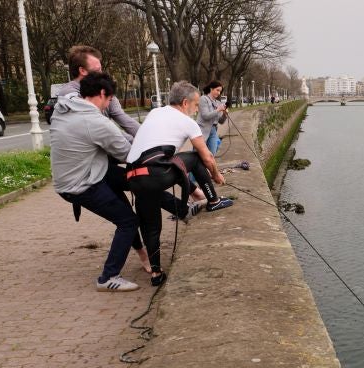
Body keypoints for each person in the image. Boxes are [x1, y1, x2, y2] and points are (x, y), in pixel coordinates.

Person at [50, 72, 156, 292]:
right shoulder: (94, 121)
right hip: (81, 185)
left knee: (130, 185)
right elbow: (129, 154)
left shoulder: (65, 107)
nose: (109, 105)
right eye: (109, 100)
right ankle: (108, 277)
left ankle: (184, 206)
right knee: (127, 221)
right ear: (101, 93)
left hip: (73, 176)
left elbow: (116, 138)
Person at [126, 81, 233, 286]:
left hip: (133, 177)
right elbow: (207, 157)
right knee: (194, 158)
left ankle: (156, 273)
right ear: (185, 103)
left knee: (151, 226)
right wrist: (217, 176)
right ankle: (213, 200)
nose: (195, 111)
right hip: (155, 172)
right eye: (194, 106)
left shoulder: (155, 113)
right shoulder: (187, 122)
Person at [55, 45, 140, 141]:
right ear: (82, 70)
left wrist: (146, 136)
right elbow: (102, 129)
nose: (102, 73)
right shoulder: (70, 96)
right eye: (97, 70)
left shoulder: (102, 87)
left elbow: (123, 119)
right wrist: (134, 143)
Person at [198, 81, 228, 156]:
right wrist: (218, 110)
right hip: (202, 130)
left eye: (220, 91)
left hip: (213, 130)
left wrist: (225, 114)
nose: (219, 93)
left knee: (212, 154)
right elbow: (205, 116)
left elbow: (221, 121)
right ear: (211, 89)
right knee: (198, 154)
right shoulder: (203, 99)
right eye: (217, 90)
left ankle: (208, 168)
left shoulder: (218, 102)